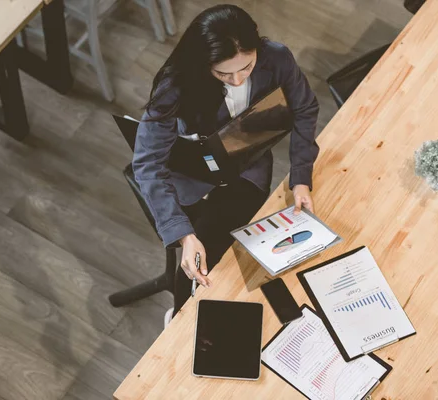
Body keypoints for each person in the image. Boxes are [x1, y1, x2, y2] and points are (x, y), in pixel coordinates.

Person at [133, 4, 320, 316]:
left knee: (224, 255)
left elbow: (305, 109)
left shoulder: (276, 57)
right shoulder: (177, 82)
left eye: (245, 68)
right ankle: (178, 315)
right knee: (195, 259)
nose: (236, 81)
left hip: (247, 164)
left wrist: (300, 175)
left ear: (257, 48)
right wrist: (183, 234)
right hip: (191, 169)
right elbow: (147, 162)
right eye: (222, 73)